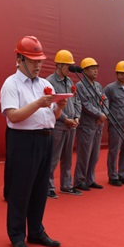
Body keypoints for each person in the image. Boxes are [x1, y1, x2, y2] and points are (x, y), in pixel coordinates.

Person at [0, 36, 67, 247]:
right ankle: (17, 234)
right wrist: (38, 103)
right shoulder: (11, 84)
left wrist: (59, 107)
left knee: (40, 188)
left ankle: (36, 231)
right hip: (23, 140)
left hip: (45, 138)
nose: (38, 65)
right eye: (32, 60)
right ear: (19, 60)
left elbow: (52, 117)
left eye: (39, 60)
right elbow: (14, 116)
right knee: (20, 189)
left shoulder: (45, 84)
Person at [45, 50, 81, 198]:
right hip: (59, 125)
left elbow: (77, 100)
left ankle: (66, 185)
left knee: (67, 157)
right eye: (67, 65)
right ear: (58, 65)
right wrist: (65, 118)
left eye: (71, 65)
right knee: (54, 157)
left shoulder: (70, 81)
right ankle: (48, 186)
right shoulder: (50, 82)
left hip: (71, 125)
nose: (70, 68)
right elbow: (52, 104)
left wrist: (77, 117)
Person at [73, 57, 106, 191]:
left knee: (95, 154)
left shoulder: (98, 86)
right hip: (86, 125)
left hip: (98, 125)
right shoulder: (80, 85)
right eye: (92, 68)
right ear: (85, 70)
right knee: (84, 154)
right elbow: (85, 105)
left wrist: (104, 115)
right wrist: (99, 114)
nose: (96, 70)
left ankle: (90, 179)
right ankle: (79, 180)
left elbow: (105, 99)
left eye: (96, 68)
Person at [103, 61, 124, 187]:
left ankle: (123, 174)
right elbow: (105, 106)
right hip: (117, 126)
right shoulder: (110, 89)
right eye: (121, 73)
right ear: (117, 74)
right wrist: (110, 119)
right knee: (114, 151)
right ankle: (113, 175)